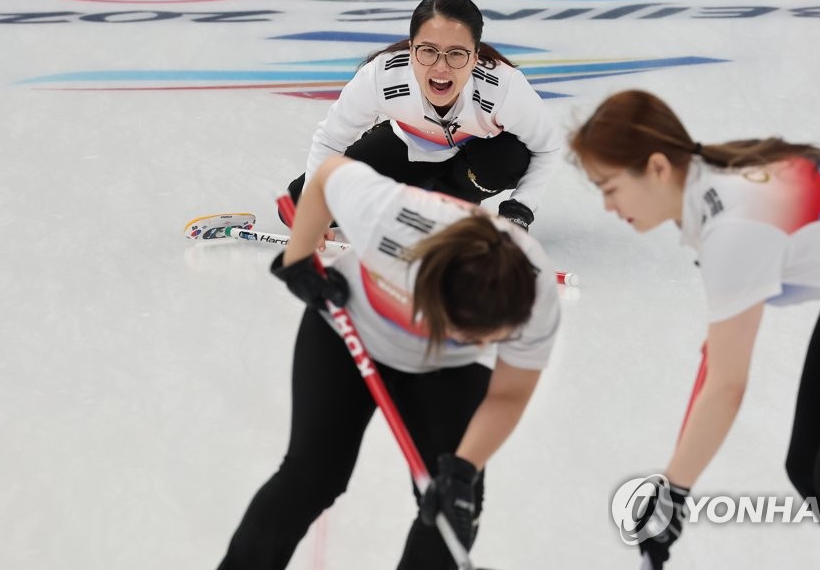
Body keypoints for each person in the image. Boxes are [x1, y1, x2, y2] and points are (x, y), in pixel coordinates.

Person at [569, 90, 820, 569]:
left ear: (657, 167)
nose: (606, 205)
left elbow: (726, 388)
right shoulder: (709, 185)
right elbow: (718, 360)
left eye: (609, 186)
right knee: (809, 468)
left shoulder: (734, 229)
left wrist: (674, 492)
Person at [218, 156, 562, 569]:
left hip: (448, 369)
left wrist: (462, 470)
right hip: (349, 329)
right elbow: (328, 174)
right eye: (457, 329)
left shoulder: (535, 294)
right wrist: (299, 259)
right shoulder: (391, 217)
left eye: (481, 339)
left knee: (453, 509)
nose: (464, 339)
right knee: (311, 476)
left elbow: (508, 393)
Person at [283, 0, 562, 231]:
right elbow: (331, 139)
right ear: (411, 48)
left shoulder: (504, 86)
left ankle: (445, 206)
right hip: (406, 147)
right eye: (428, 50)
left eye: (456, 53)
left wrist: (518, 212)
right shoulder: (382, 76)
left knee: (505, 159)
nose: (441, 68)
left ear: (475, 56)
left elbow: (547, 148)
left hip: (474, 164)